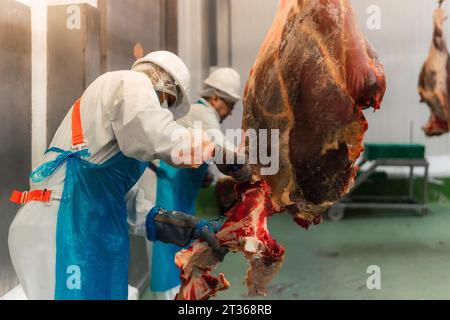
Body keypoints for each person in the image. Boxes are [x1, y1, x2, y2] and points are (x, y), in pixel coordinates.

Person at [8, 52, 251, 300]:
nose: (163, 110)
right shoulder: (128, 82)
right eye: (167, 102)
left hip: (84, 227)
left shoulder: (112, 139)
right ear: (165, 84)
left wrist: (185, 226)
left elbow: (120, 201)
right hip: (60, 226)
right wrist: (217, 152)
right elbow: (158, 134)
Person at [148, 68, 242, 300]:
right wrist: (246, 170)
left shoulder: (201, 113)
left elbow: (200, 151)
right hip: (168, 193)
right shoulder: (202, 112)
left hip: (181, 195)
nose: (230, 113)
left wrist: (204, 174)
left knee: (179, 253)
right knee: (168, 258)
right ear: (216, 98)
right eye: (230, 105)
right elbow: (220, 148)